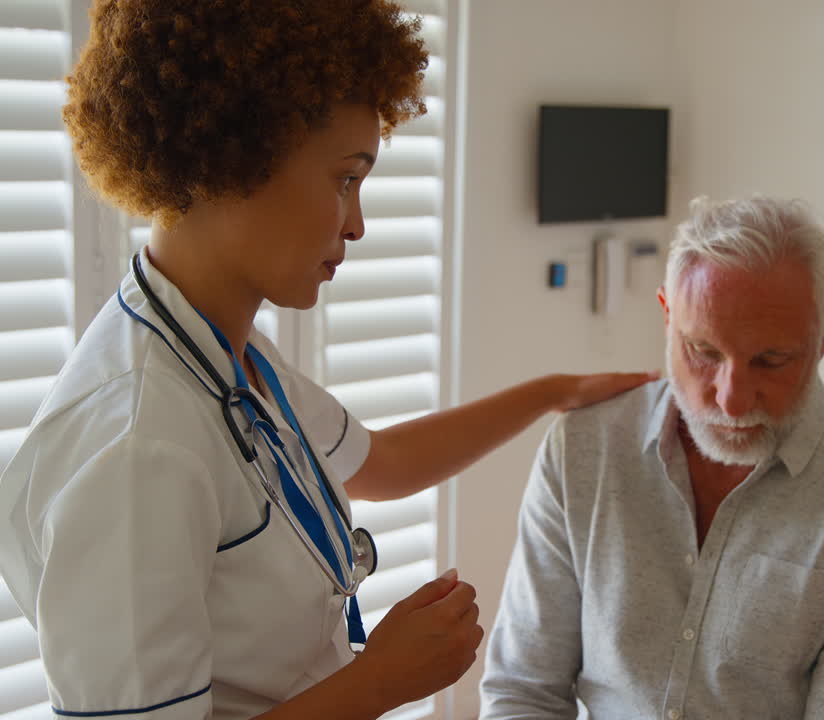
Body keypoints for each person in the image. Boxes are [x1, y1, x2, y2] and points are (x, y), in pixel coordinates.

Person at [0, 2, 653, 718]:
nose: (357, 223)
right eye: (345, 178)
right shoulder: (137, 443)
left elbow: (384, 464)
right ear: (234, 157)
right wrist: (383, 680)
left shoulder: (227, 357)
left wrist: (553, 392)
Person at [480, 196, 824, 719]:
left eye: (770, 361)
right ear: (666, 316)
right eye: (703, 353)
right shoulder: (585, 448)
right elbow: (523, 690)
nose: (730, 400)